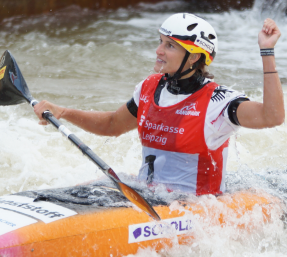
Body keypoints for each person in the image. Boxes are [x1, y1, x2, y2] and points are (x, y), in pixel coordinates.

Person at [33, 13, 284, 195]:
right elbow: (112, 124)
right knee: (80, 190)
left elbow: (272, 116)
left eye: (170, 46)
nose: (158, 50)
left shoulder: (218, 102)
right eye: (161, 42)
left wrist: (266, 53)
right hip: (148, 193)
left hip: (195, 208)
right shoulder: (150, 87)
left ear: (194, 56)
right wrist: (62, 112)